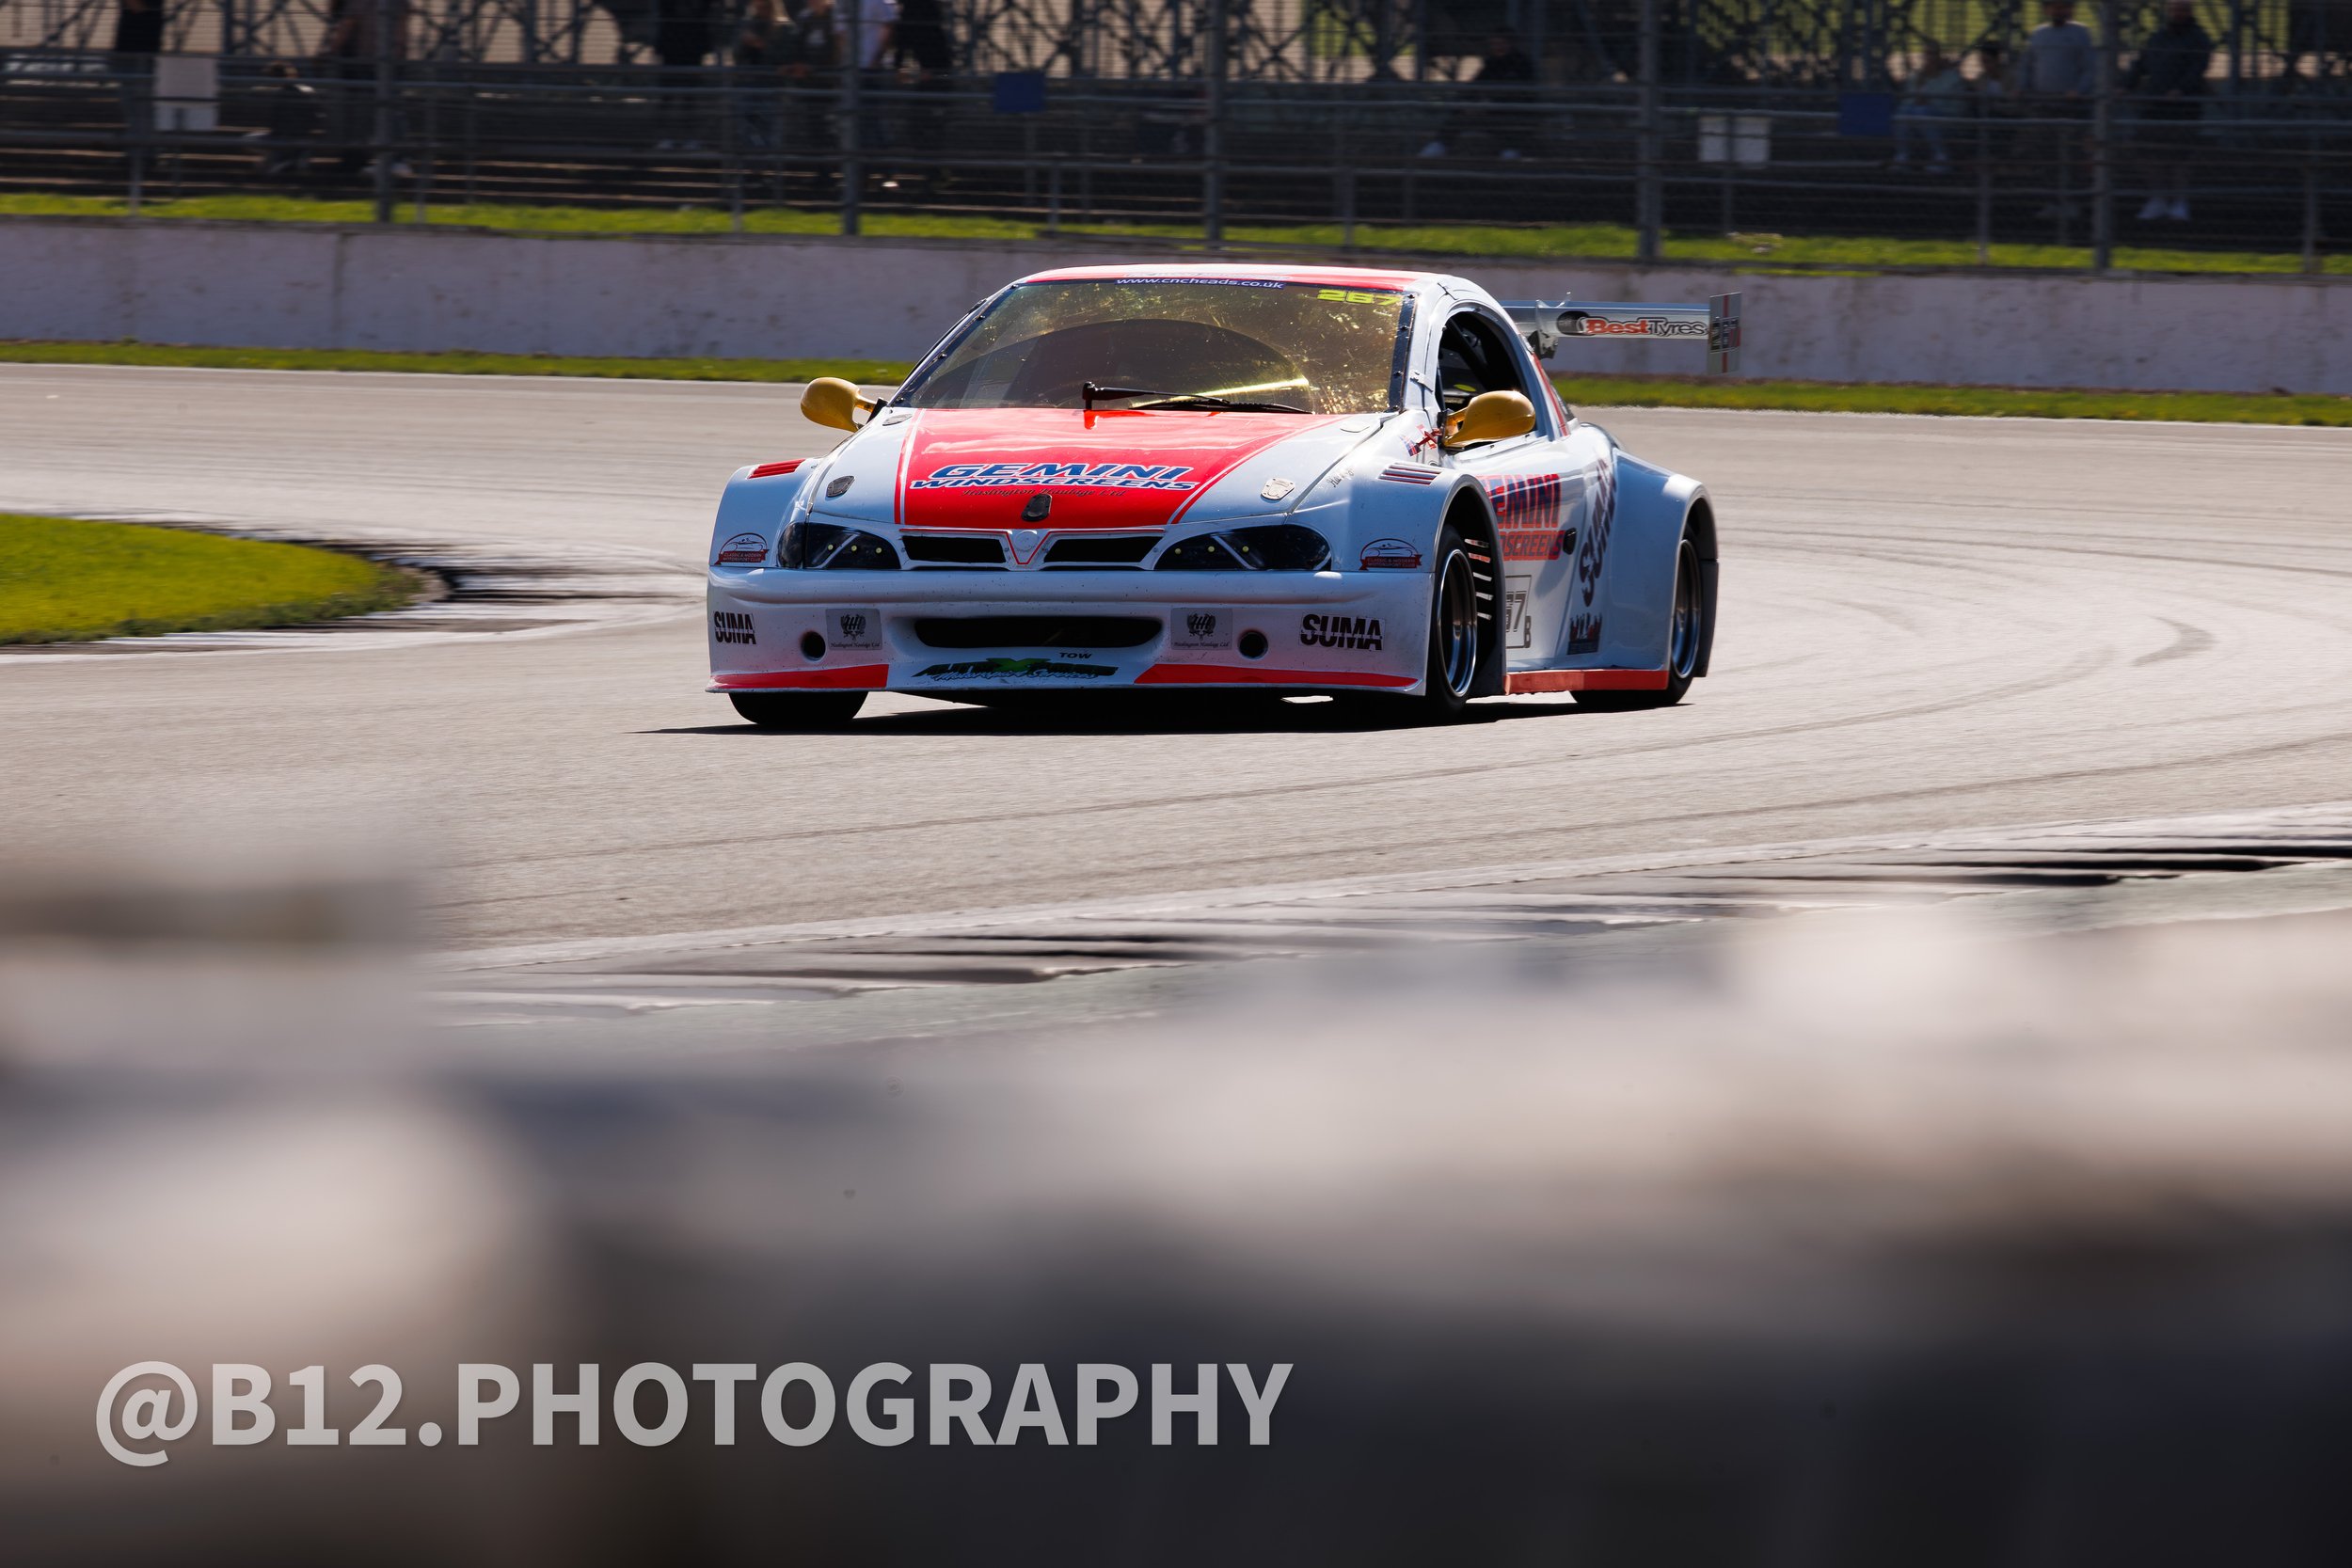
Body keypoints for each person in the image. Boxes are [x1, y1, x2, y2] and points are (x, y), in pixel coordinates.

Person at [2125, 0, 2213, 221]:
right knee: (2148, 153)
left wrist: (2180, 89)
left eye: (2182, 9)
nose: (2177, 13)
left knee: (2180, 156)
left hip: (2183, 108)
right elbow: (2141, 63)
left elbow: (2198, 68)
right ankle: (2158, 198)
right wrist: (2124, 85)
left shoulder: (2198, 38)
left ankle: (2180, 201)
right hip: (2154, 105)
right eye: (2174, 9)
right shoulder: (2158, 36)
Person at [317, 0, 410, 178]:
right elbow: (401, 29)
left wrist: (330, 52)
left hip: (368, 62)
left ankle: (391, 159)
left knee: (374, 113)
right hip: (383, 62)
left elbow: (347, 25)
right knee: (387, 110)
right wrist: (399, 52)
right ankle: (393, 159)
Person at [2022, 0, 2097, 217]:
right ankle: (2051, 200)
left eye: (2064, 6)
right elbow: (2027, 65)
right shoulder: (2038, 34)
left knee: (2070, 155)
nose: (2059, 11)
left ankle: (2071, 201)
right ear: (2046, 10)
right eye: (2055, 6)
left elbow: (2089, 69)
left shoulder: (2081, 33)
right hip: (2044, 105)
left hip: (2070, 107)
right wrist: (2022, 87)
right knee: (2046, 155)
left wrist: (2078, 91)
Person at [1419, 30, 1538, 160]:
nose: (1497, 47)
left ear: (1510, 43)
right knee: (1459, 114)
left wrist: (1488, 103)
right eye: (1493, 43)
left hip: (1511, 111)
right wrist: (1470, 103)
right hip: (1488, 111)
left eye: (1501, 43)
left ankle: (1512, 151)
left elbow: (1519, 93)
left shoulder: (1521, 63)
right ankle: (1438, 146)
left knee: (1508, 123)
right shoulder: (1491, 63)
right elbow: (1475, 86)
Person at [1891, 41, 1966, 174]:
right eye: (1926, 54)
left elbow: (1957, 108)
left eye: (1932, 54)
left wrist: (1929, 104)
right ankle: (1903, 156)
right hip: (1918, 122)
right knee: (1903, 113)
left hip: (1947, 122)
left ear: (1939, 57)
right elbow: (1907, 103)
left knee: (1923, 111)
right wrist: (1919, 90)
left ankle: (1942, 157)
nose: (1929, 58)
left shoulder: (1952, 78)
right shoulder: (1916, 78)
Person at [112, 0, 165, 140]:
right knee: (135, 107)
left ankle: (143, 152)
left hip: (139, 56)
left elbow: (138, 7)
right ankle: (141, 150)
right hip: (132, 55)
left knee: (140, 107)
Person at [735, 0, 785, 150]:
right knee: (747, 128)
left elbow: (783, 58)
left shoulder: (782, 27)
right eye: (758, 6)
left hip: (771, 85)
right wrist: (743, 42)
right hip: (748, 83)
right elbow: (736, 55)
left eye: (765, 7)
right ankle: (749, 167)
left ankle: (770, 165)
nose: (761, 10)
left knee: (769, 129)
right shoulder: (747, 24)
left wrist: (761, 45)